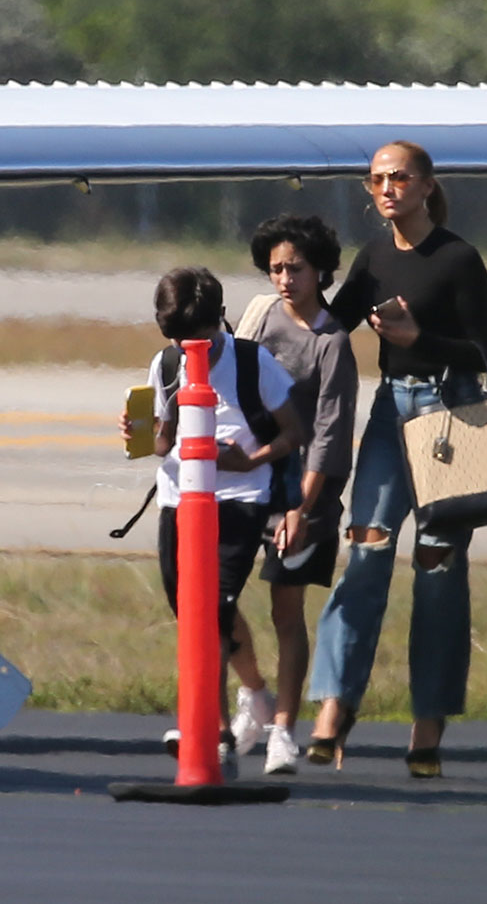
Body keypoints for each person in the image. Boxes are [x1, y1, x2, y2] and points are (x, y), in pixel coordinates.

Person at [306, 140, 487, 776]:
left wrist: (420, 339)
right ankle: (334, 709)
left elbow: (481, 355)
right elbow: (330, 326)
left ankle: (428, 723)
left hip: (452, 410)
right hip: (391, 410)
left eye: (400, 177)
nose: (388, 188)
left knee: (439, 563)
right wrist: (285, 296)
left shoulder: (459, 259)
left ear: (426, 184)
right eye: (378, 179)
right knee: (368, 548)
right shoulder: (375, 255)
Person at [119, 266, 300, 780]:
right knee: (189, 609)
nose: (186, 346)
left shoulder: (251, 362)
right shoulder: (167, 362)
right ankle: (256, 694)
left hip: (241, 497)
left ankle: (211, 731)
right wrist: (139, 432)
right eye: (175, 336)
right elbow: (161, 440)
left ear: (219, 319)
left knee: (213, 611)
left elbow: (294, 431)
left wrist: (251, 459)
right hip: (180, 497)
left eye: (196, 337)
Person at [228, 214, 358, 775]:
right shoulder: (258, 321)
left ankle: (283, 727)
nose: (284, 278)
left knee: (287, 610)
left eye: (296, 268)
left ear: (321, 271)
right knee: (216, 601)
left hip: (303, 494)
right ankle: (253, 695)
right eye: (276, 268)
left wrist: (302, 509)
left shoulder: (332, 343)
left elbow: (330, 431)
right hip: (250, 482)